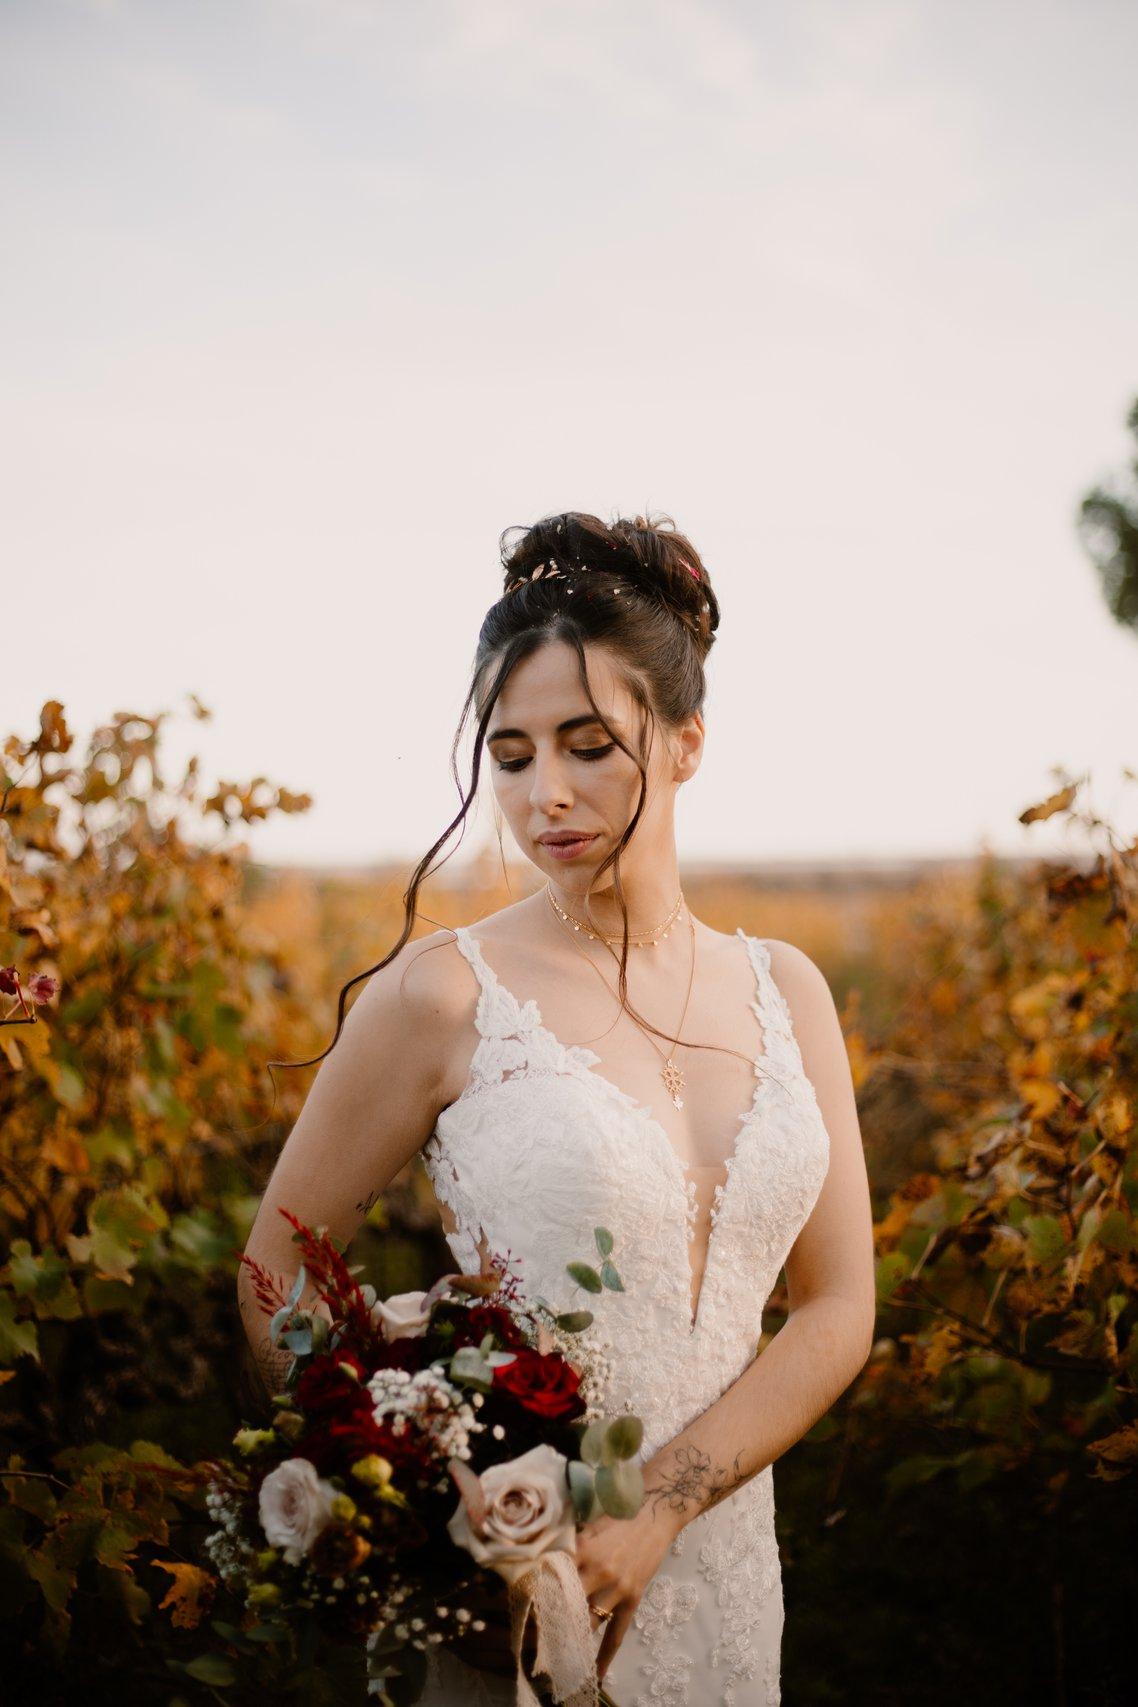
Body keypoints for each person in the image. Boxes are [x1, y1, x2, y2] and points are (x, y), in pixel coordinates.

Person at [239, 511, 876, 1706]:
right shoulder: (437, 994)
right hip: (520, 1592)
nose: (545, 796)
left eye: (588, 744)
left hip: (727, 1582)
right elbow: (274, 1273)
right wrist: (414, 1471)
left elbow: (835, 1307)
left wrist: (664, 1505)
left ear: (686, 741)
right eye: (514, 754)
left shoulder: (788, 989)